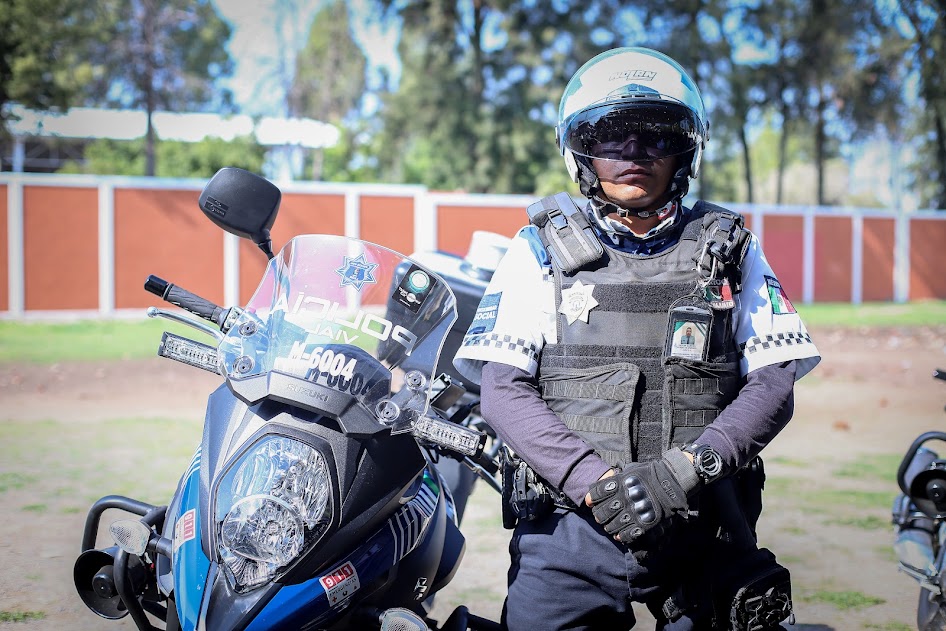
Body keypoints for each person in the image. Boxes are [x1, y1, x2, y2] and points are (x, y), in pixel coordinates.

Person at [453, 47, 821, 630]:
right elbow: (501, 390)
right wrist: (596, 485)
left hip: (703, 519)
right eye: (609, 137)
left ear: (686, 149)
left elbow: (775, 383)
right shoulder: (538, 250)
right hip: (571, 532)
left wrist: (684, 470)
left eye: (655, 136)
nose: (632, 154)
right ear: (580, 151)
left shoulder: (731, 248)